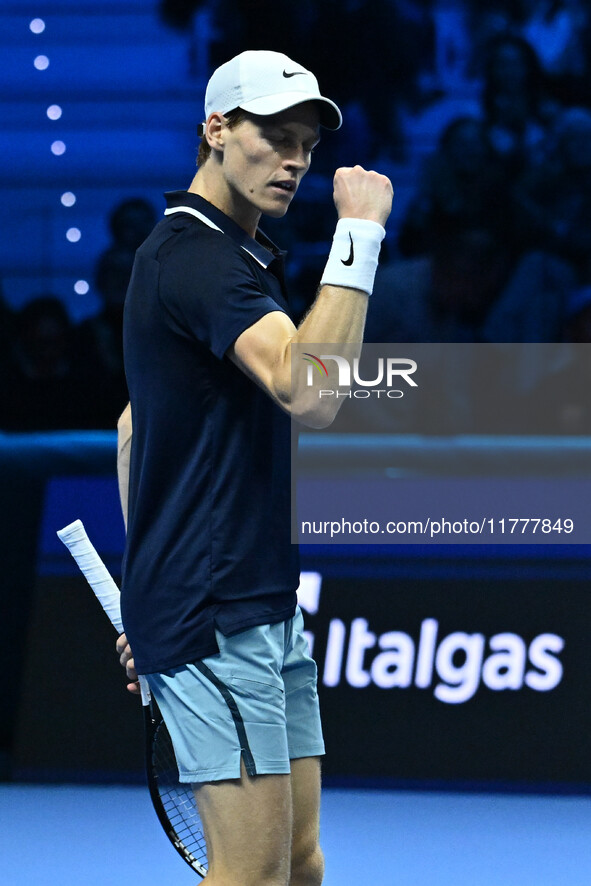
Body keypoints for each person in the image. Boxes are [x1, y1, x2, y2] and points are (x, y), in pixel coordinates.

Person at [114, 49, 392, 886]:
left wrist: (143, 587)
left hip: (255, 598)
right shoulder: (196, 257)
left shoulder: (231, 257)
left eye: (304, 143)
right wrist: (360, 235)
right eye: (273, 136)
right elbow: (311, 393)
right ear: (215, 130)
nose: (295, 160)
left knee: (297, 865)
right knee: (253, 875)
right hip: (213, 608)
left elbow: (135, 427)